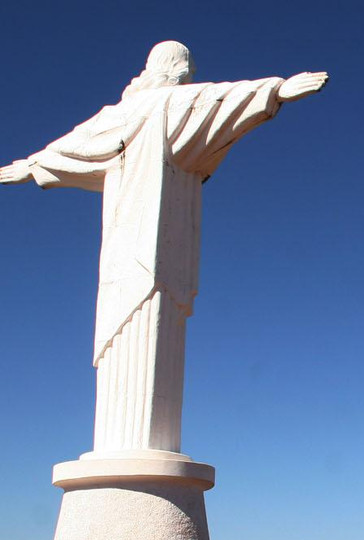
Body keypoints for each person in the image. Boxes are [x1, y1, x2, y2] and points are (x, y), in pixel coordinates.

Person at [0, 41, 328, 454]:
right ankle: (124, 452)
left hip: (161, 245)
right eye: (184, 66)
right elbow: (220, 100)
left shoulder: (139, 111)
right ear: (174, 68)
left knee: (155, 319)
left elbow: (74, 145)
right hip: (128, 251)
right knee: (128, 324)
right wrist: (276, 90)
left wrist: (31, 166)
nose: (187, 74)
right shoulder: (158, 106)